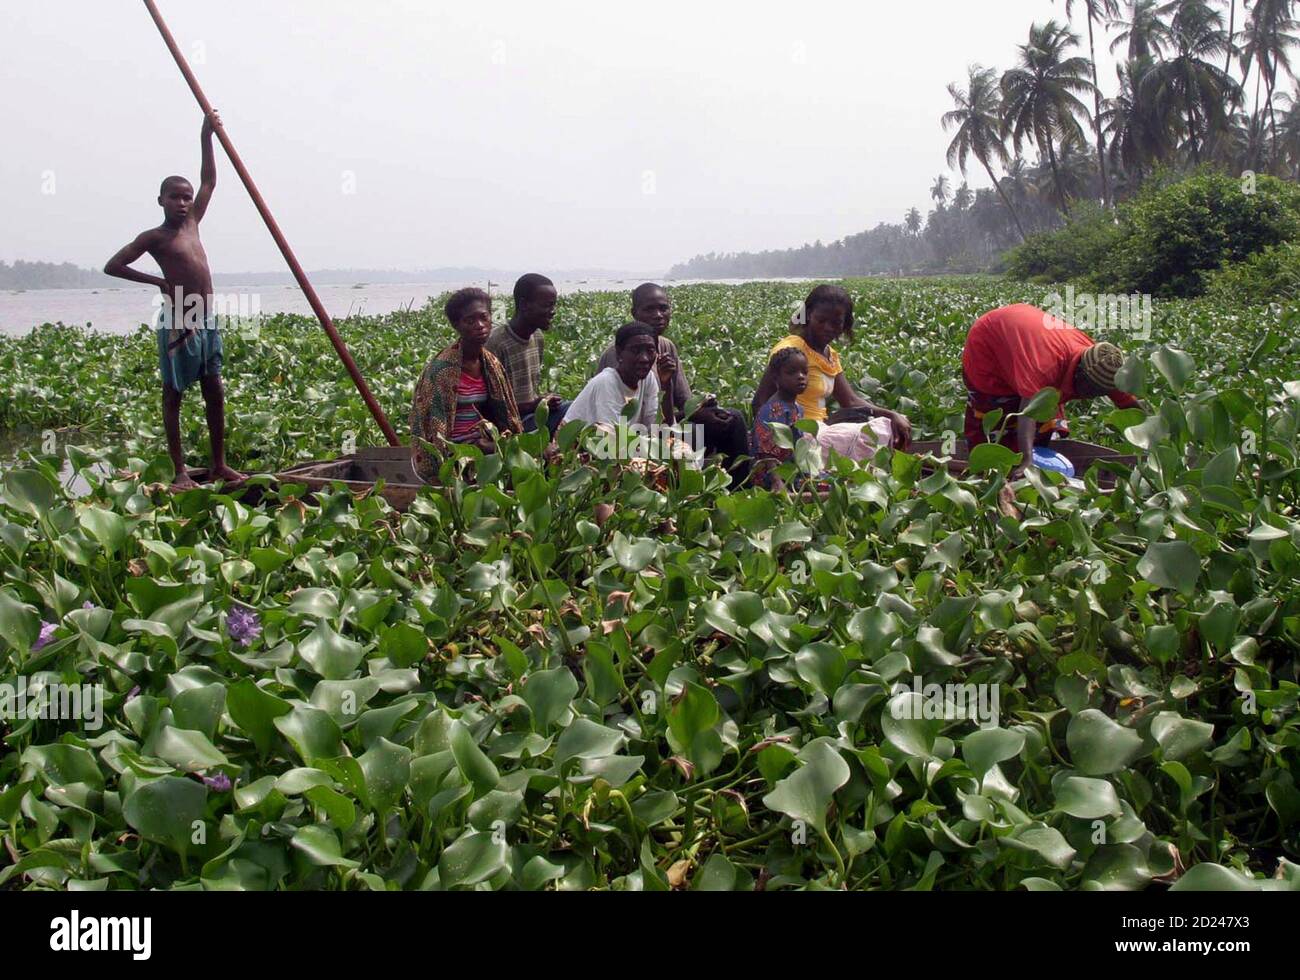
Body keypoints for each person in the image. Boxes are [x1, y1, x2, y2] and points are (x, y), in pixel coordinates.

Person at [103, 111, 245, 490]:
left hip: (206, 317)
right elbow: (113, 266)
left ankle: (218, 464)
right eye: (175, 197)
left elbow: (209, 180)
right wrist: (158, 281)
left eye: (185, 197)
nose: (183, 202)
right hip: (178, 320)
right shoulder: (155, 237)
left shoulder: (194, 221)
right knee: (174, 393)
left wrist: (207, 135)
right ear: (161, 200)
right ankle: (181, 471)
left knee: (214, 388)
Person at [594, 284, 750, 484]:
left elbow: (684, 400)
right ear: (634, 313)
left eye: (663, 308)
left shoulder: (667, 346)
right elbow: (625, 422)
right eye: (649, 309)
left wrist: (706, 410)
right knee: (688, 437)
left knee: (731, 419)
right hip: (631, 434)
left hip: (661, 423)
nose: (658, 315)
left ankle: (737, 488)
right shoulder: (620, 353)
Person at [961, 303, 1140, 476]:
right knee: (996, 423)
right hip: (990, 342)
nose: (1092, 397)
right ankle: (989, 474)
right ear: (1079, 373)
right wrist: (1027, 459)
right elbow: (1028, 413)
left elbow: (1129, 404)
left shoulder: (1103, 364)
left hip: (1029, 337)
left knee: (1046, 419)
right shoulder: (1044, 367)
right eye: (1092, 391)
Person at [751, 284, 912, 449]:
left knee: (889, 425)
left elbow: (850, 400)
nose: (828, 328)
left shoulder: (830, 355)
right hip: (798, 434)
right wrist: (774, 442)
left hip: (822, 429)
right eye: (821, 320)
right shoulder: (792, 349)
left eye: (836, 323)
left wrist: (891, 414)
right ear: (808, 316)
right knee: (876, 433)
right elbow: (759, 401)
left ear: (845, 324)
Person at [410, 287, 523, 482]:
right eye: (470, 321)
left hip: (485, 441)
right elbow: (434, 431)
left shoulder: (492, 364)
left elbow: (505, 415)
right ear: (457, 325)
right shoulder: (442, 370)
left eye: (484, 317)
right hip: (454, 450)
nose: (480, 325)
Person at [485, 273, 569, 436]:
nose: (552, 312)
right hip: (509, 427)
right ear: (524, 304)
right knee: (573, 410)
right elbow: (491, 408)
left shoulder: (537, 337)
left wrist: (543, 401)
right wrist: (534, 405)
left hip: (533, 416)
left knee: (581, 408)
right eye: (547, 305)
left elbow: (531, 391)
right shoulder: (496, 343)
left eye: (553, 306)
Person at [568, 321, 676, 431]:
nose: (644, 358)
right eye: (635, 351)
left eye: (650, 351)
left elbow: (661, 428)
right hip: (577, 445)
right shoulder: (606, 382)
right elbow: (609, 438)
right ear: (619, 353)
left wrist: (666, 383)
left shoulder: (648, 378)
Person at [751, 346, 813, 489]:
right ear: (776, 377)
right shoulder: (773, 410)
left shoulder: (798, 408)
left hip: (791, 472)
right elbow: (766, 454)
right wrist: (776, 481)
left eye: (805, 372)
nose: (801, 376)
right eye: (792, 372)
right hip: (771, 476)